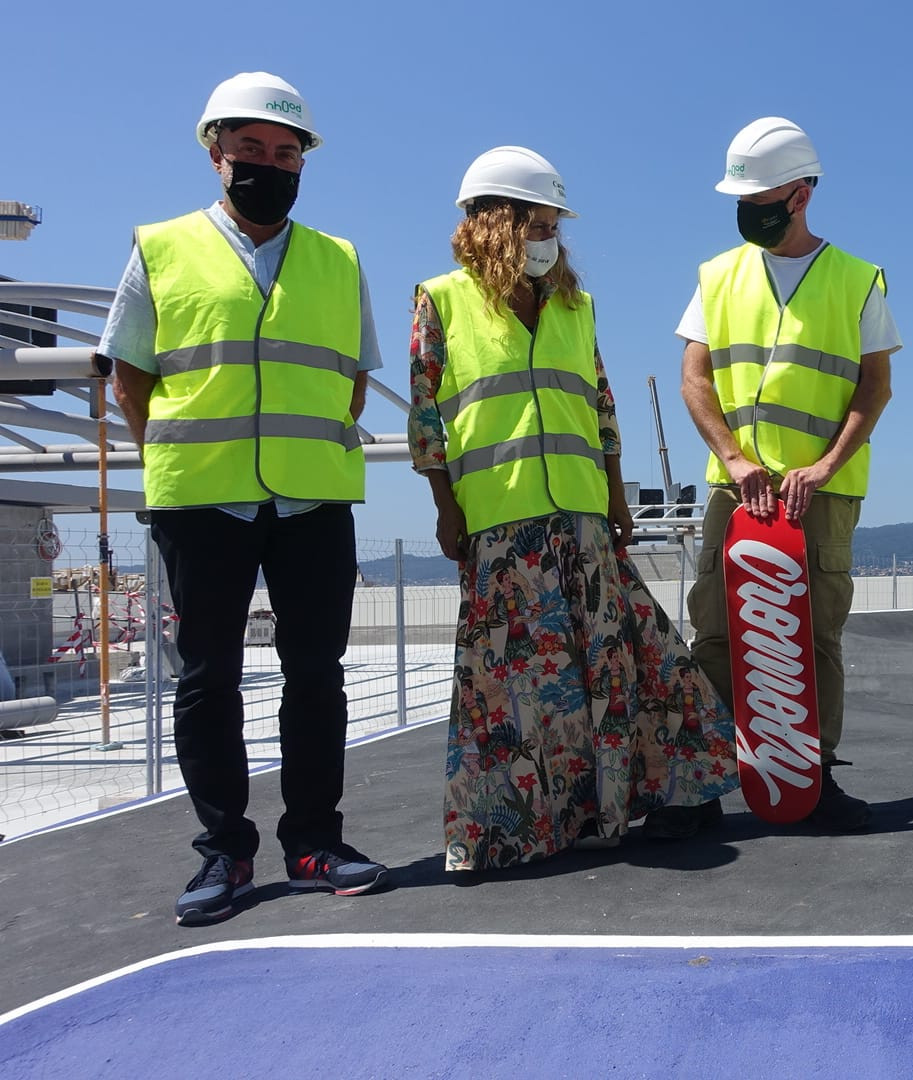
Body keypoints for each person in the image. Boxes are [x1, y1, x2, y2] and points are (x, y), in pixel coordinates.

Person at [100, 72, 389, 926]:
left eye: (286, 151)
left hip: (312, 501)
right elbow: (129, 378)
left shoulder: (339, 259)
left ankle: (315, 843)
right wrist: (182, 461)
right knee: (207, 680)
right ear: (215, 152)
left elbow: (352, 383)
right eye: (252, 147)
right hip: (203, 503)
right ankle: (224, 851)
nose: (270, 163)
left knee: (317, 676)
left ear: (304, 162)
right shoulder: (161, 247)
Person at [411, 147, 737, 871]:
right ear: (495, 222)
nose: (549, 238)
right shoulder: (442, 300)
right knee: (513, 688)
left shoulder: (575, 306)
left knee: (620, 663)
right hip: (500, 525)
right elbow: (426, 417)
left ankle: (660, 792)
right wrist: (444, 506)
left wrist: (616, 493)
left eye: (554, 226)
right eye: (538, 224)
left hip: (584, 520)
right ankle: (512, 828)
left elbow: (602, 408)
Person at [679, 117, 901, 832]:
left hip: (822, 495)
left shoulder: (857, 280)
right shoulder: (716, 276)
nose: (747, 210)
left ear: (801, 195)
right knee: (716, 631)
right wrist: (735, 459)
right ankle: (701, 785)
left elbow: (875, 388)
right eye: (740, 199)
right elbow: (694, 380)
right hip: (735, 490)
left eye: (759, 198)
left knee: (816, 635)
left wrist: (826, 465)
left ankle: (815, 776)